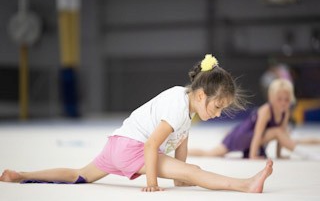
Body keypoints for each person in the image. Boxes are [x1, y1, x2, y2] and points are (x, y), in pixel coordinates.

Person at [0, 54, 273, 193]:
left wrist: (179, 178)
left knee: (78, 174)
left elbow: (180, 147)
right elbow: (153, 144)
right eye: (217, 107)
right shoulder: (179, 107)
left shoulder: (185, 105)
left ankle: (20, 174)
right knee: (196, 170)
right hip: (134, 148)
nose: (217, 114)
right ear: (201, 95)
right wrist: (153, 182)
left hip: (117, 144)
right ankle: (244, 185)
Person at [188, 78, 320, 160]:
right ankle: (307, 154)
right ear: (271, 98)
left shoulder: (285, 112)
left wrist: (279, 155)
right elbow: (258, 132)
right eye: (279, 99)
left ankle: (187, 152)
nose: (283, 103)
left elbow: (282, 136)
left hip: (250, 138)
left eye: (286, 100)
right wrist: (253, 154)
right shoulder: (266, 110)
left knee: (211, 153)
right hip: (242, 136)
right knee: (210, 153)